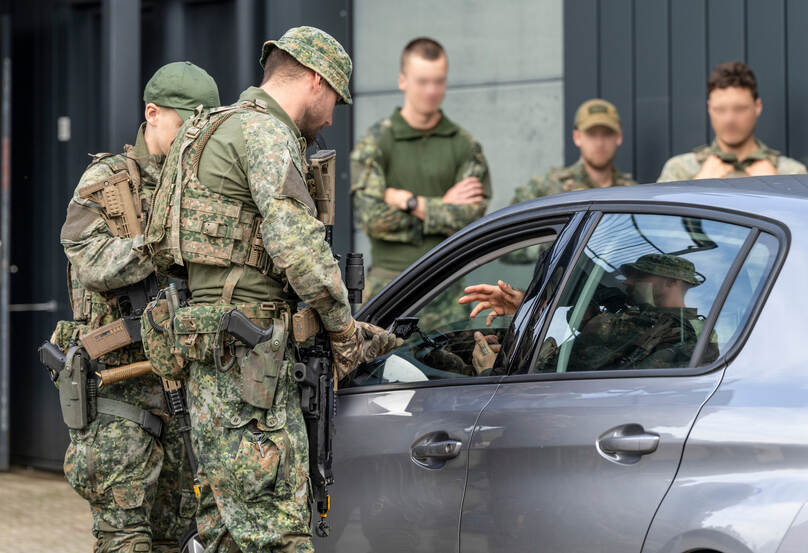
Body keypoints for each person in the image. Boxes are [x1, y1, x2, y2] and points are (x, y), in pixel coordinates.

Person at [149, 27, 399, 552]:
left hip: (211, 355)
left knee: (223, 531)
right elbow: (299, 248)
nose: (331, 118)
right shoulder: (265, 133)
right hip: (249, 365)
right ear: (314, 80)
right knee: (277, 532)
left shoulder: (210, 130)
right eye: (335, 100)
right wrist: (344, 332)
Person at [55, 61, 220, 553]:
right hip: (119, 390)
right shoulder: (106, 181)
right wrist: (164, 243)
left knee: (177, 536)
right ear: (153, 114)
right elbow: (92, 261)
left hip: (181, 388)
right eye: (187, 125)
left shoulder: (201, 184)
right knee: (124, 538)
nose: (195, 139)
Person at [351, 37, 491, 300]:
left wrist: (409, 201)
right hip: (390, 289)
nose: (431, 91)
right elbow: (370, 218)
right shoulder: (376, 142)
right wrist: (442, 207)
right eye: (422, 82)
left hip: (447, 288)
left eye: (439, 81)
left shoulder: (464, 145)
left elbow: (470, 219)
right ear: (402, 81)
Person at [460, 254, 718, 372]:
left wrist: (488, 372)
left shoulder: (657, 327)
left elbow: (591, 327)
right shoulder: (693, 327)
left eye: (640, 276)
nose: (628, 282)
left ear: (672, 282)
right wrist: (527, 304)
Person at [658, 61, 807, 182]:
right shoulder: (680, 170)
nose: (729, 119)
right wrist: (698, 186)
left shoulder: (791, 174)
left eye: (740, 109)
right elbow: (660, 212)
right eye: (720, 109)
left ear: (757, 107)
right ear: (709, 108)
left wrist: (777, 187)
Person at [511, 98, 636, 205]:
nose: (599, 143)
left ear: (619, 137)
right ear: (577, 137)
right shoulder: (550, 186)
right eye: (591, 134)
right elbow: (513, 219)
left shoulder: (632, 193)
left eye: (607, 134)